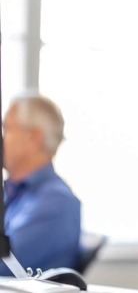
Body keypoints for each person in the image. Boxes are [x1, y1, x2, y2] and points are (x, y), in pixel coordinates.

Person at [0, 92, 81, 276]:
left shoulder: (57, 203)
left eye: (7, 129)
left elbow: (4, 265)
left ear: (34, 137)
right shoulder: (12, 192)